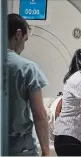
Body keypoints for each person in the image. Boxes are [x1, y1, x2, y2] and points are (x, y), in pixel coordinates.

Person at [7, 13, 50, 156]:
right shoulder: (27, 69)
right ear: (18, 34)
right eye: (25, 40)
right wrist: (46, 151)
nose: (24, 46)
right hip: (19, 149)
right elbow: (39, 114)